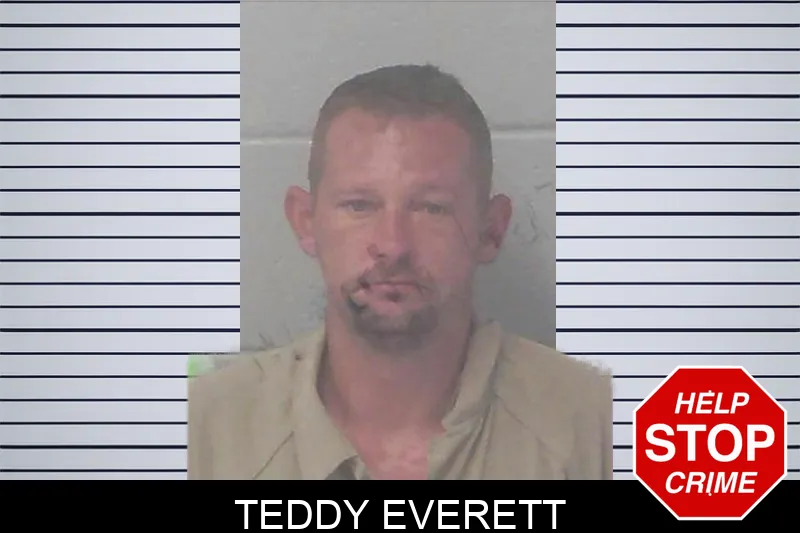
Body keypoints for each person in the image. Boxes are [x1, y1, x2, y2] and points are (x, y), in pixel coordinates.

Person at [188, 64, 613, 480]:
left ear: (490, 230)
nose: (393, 244)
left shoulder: (597, 427)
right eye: (359, 205)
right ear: (306, 222)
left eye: (431, 208)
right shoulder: (205, 431)